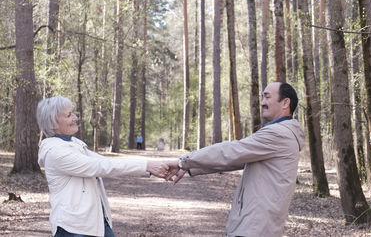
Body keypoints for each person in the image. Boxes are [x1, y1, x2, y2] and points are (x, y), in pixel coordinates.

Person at [166, 82, 305, 237]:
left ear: (285, 102)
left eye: (267, 97)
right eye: (262, 98)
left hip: (254, 228)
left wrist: (184, 161)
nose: (262, 103)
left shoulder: (278, 134)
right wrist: (189, 166)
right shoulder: (282, 133)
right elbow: (236, 160)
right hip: (258, 226)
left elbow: (231, 151)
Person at [36, 96, 169, 237]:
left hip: (95, 223)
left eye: (73, 113)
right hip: (74, 229)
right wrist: (147, 166)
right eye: (69, 115)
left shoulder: (74, 143)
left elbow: (106, 161)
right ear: (54, 124)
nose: (75, 118)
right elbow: (103, 166)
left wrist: (174, 163)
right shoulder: (56, 152)